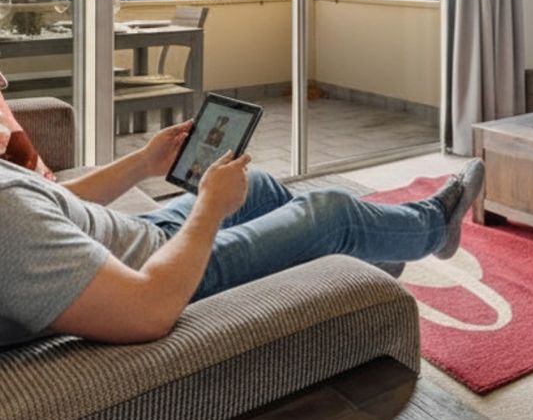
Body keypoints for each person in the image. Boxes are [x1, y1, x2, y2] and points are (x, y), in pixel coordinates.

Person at [0, 121, 484, 347]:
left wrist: (145, 162)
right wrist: (210, 208)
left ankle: (365, 264)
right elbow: (144, 311)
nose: (4, 85)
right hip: (165, 276)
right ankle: (433, 227)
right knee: (331, 213)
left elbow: (55, 199)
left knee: (259, 186)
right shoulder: (6, 212)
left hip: (137, 239)